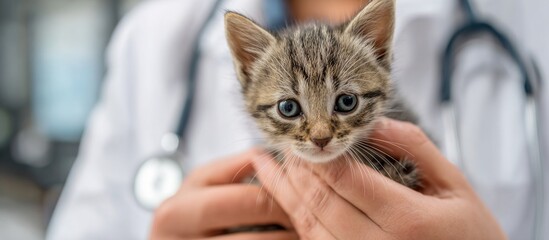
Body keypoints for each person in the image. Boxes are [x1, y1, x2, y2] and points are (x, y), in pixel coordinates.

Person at [46, 0, 549, 239]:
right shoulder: (152, 37)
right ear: (247, 69)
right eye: (290, 110)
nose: (321, 133)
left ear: (379, 46)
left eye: (344, 104)